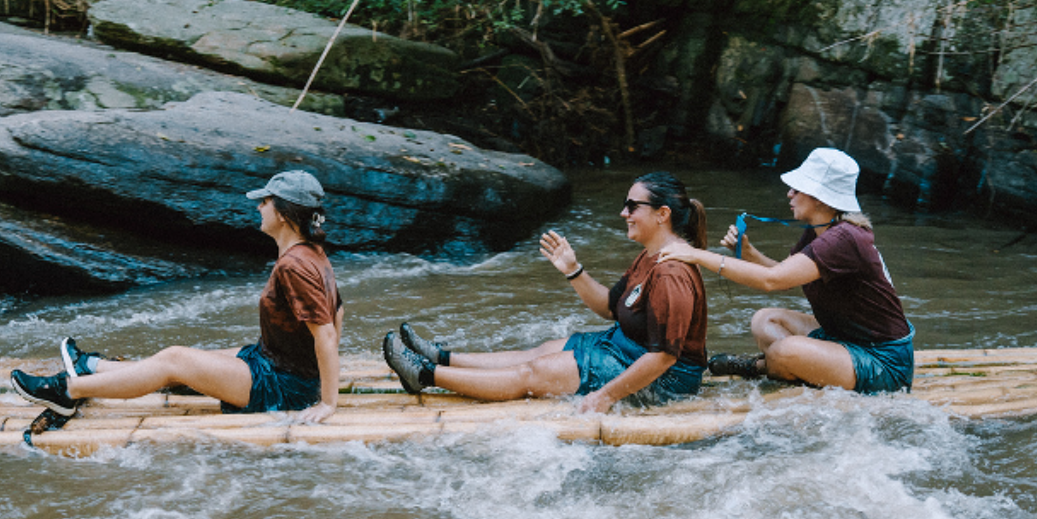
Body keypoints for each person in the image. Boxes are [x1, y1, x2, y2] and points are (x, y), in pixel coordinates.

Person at [10, 169, 343, 423]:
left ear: (283, 214)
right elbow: (337, 311)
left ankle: (66, 391)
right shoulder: (311, 254)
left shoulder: (295, 266)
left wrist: (326, 402)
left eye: (266, 201)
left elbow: (326, 331)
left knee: (175, 360)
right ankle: (91, 366)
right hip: (274, 365)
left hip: (283, 387)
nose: (259, 206)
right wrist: (311, 371)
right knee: (181, 364)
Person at [383, 171, 707, 413]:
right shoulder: (650, 255)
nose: (624, 213)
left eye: (632, 206)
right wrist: (573, 270)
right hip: (626, 346)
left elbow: (664, 355)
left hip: (666, 381)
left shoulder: (672, 273)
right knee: (539, 352)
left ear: (662, 214)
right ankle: (442, 358)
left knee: (535, 373)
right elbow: (611, 307)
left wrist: (605, 396)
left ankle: (425, 375)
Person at [659, 147, 913, 393]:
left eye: (797, 189)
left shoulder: (844, 238)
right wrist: (749, 253)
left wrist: (697, 255)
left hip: (883, 362)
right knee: (764, 320)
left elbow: (773, 281)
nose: (789, 194)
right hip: (841, 338)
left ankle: (760, 366)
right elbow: (787, 275)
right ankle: (794, 367)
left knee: (785, 350)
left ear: (819, 197)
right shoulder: (820, 229)